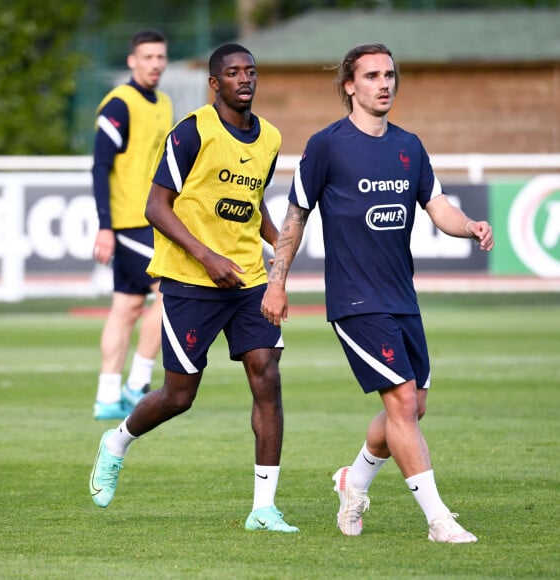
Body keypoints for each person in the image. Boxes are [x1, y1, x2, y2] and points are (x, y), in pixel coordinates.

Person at [261, 43, 494, 543]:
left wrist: (470, 225)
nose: (384, 83)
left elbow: (437, 207)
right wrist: (276, 282)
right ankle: (438, 519)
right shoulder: (326, 146)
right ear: (350, 85)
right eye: (371, 76)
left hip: (401, 298)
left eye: (389, 75)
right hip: (353, 300)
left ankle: (354, 479)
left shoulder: (409, 145)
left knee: (412, 408)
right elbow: (295, 217)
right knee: (403, 401)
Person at [89, 43, 298, 533]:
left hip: (247, 278)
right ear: (215, 83)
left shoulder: (269, 137)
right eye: (233, 73)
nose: (245, 79)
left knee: (266, 375)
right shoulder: (192, 131)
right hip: (189, 280)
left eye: (251, 71)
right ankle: (117, 441)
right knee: (179, 396)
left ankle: (263, 509)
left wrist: (279, 243)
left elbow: (252, 203)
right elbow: (156, 207)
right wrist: (207, 256)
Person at [91, 30, 174, 421]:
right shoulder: (118, 105)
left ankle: (108, 396)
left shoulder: (165, 103)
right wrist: (105, 226)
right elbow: (100, 166)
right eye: (147, 57)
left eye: (160, 56)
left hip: (154, 220)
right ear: (132, 60)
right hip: (130, 222)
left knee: (126, 306)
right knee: (170, 293)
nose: (155, 63)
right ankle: (137, 384)